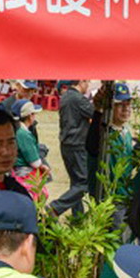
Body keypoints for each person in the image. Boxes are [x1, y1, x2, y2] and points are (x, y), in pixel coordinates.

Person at [54, 79, 94, 215]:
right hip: (77, 144)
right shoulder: (78, 99)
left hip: (66, 143)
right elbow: (94, 113)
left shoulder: (65, 97)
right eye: (87, 82)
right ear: (81, 81)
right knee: (83, 184)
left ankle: (77, 216)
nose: (88, 86)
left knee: (75, 183)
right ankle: (55, 208)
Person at [13, 102, 45, 177]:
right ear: (30, 116)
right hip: (23, 172)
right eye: (34, 114)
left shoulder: (16, 130)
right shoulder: (23, 134)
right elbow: (35, 162)